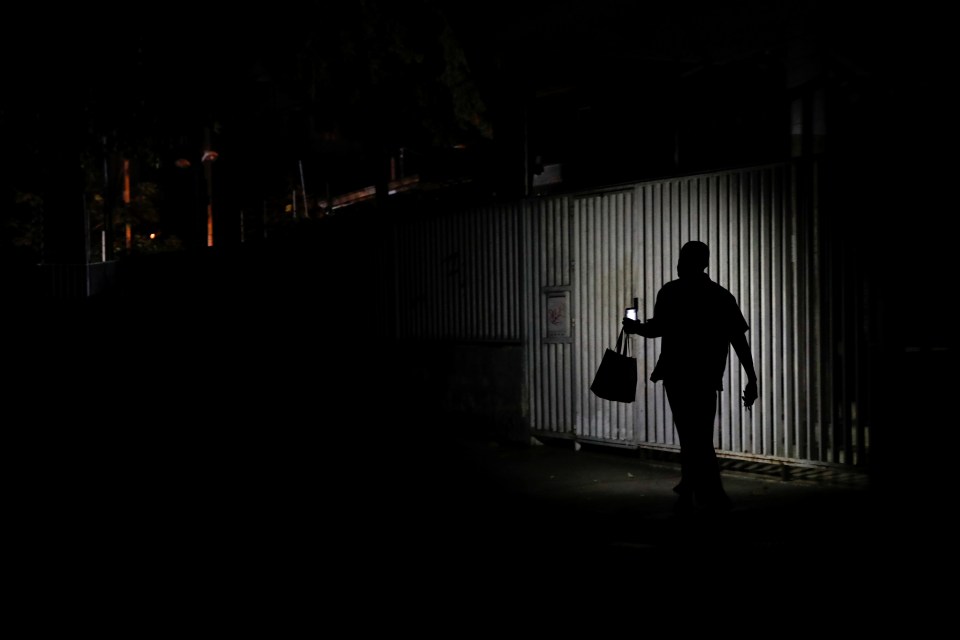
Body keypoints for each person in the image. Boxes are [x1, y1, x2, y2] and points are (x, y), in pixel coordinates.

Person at [622, 240, 758, 515]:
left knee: (689, 434)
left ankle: (699, 490)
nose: (679, 263)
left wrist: (636, 327)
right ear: (705, 263)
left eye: (682, 258)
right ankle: (699, 489)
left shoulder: (671, 292)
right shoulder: (720, 296)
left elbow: (657, 328)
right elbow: (738, 340)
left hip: (677, 375)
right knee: (700, 434)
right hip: (706, 377)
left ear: (685, 261)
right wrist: (751, 378)